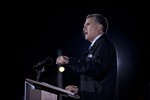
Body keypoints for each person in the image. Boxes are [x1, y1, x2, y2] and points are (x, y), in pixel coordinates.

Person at [56, 13, 118, 100]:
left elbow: (96, 70)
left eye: (88, 24)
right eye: (84, 25)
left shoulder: (104, 44)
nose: (84, 28)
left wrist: (69, 61)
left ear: (100, 27)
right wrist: (79, 89)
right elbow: (95, 82)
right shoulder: (96, 47)